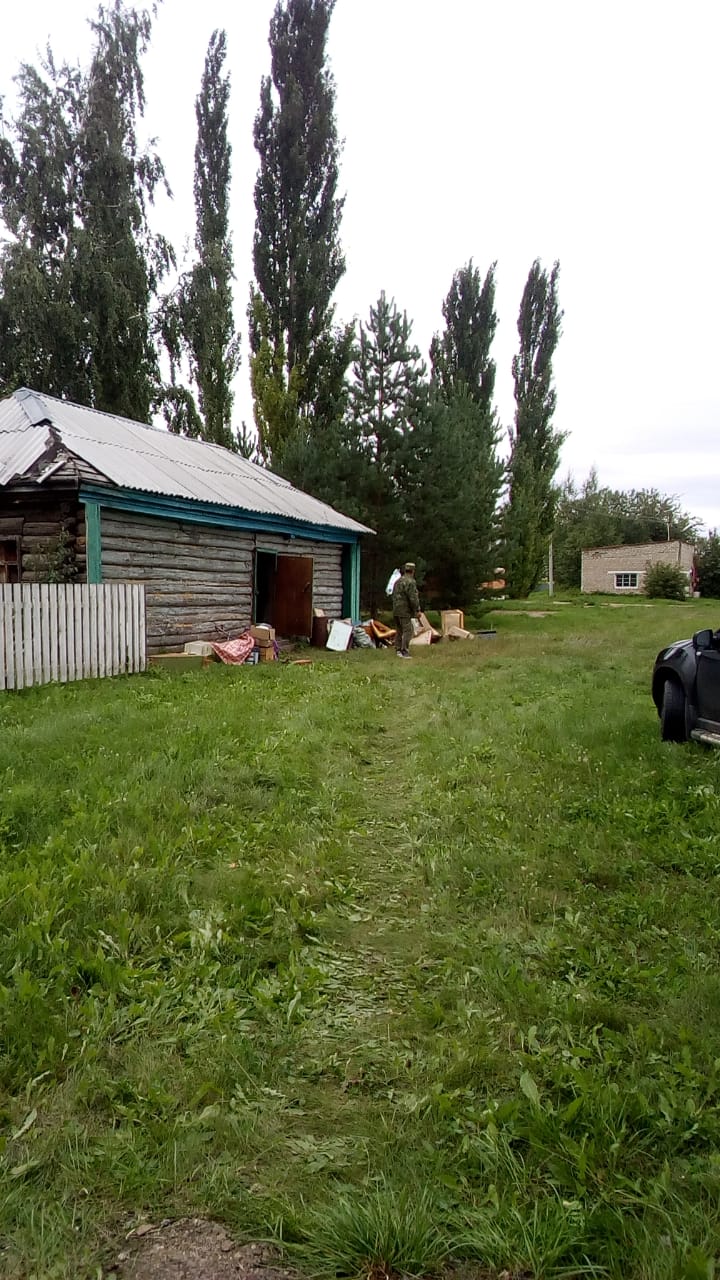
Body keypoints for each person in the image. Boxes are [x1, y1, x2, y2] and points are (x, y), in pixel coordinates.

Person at [392, 562, 421, 658]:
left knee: (399, 630)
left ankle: (398, 650)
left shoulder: (398, 581)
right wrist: (417, 610)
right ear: (413, 571)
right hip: (404, 610)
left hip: (396, 609)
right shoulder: (411, 582)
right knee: (408, 630)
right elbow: (413, 598)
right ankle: (404, 651)